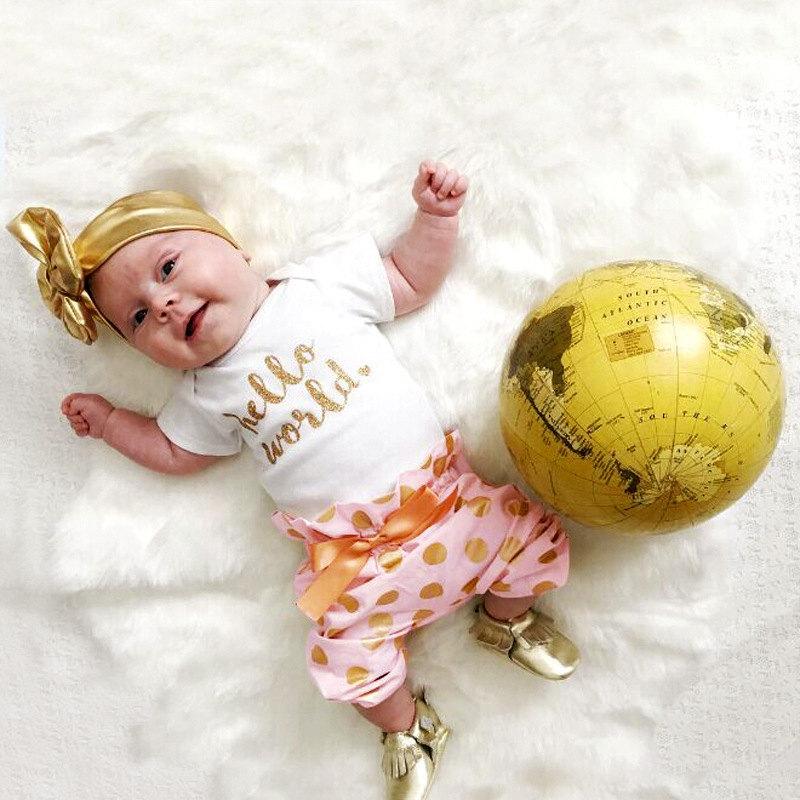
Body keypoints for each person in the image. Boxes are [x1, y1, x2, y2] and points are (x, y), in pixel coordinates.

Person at [7, 161, 580, 800]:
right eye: (138, 318)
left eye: (168, 268)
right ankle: (408, 726)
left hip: (450, 507)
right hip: (359, 568)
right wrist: (113, 422)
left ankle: (504, 620)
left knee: (533, 539)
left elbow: (409, 278)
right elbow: (171, 451)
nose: (163, 304)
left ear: (233, 248)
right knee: (348, 663)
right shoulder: (203, 395)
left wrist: (435, 218)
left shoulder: (317, 286)